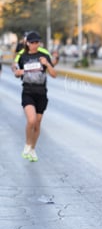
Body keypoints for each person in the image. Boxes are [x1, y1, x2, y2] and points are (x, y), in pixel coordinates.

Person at [14, 31, 57, 162]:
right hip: (27, 91)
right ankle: (27, 145)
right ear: (27, 43)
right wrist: (19, 72)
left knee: (37, 124)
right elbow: (16, 72)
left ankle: (32, 149)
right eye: (32, 42)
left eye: (37, 42)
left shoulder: (43, 55)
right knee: (31, 120)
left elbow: (54, 75)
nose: (35, 44)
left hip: (41, 93)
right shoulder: (23, 56)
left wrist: (47, 64)